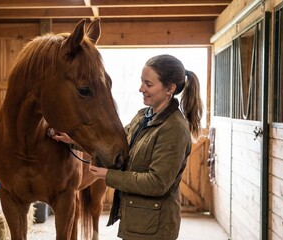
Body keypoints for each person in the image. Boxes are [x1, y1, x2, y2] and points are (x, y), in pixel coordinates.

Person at [51, 54, 203, 240]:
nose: (141, 89)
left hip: (154, 228)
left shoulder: (174, 129)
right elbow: (117, 145)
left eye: (148, 84)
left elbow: (157, 184)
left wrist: (108, 175)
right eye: (141, 82)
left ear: (169, 89)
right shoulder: (143, 116)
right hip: (138, 221)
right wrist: (73, 140)